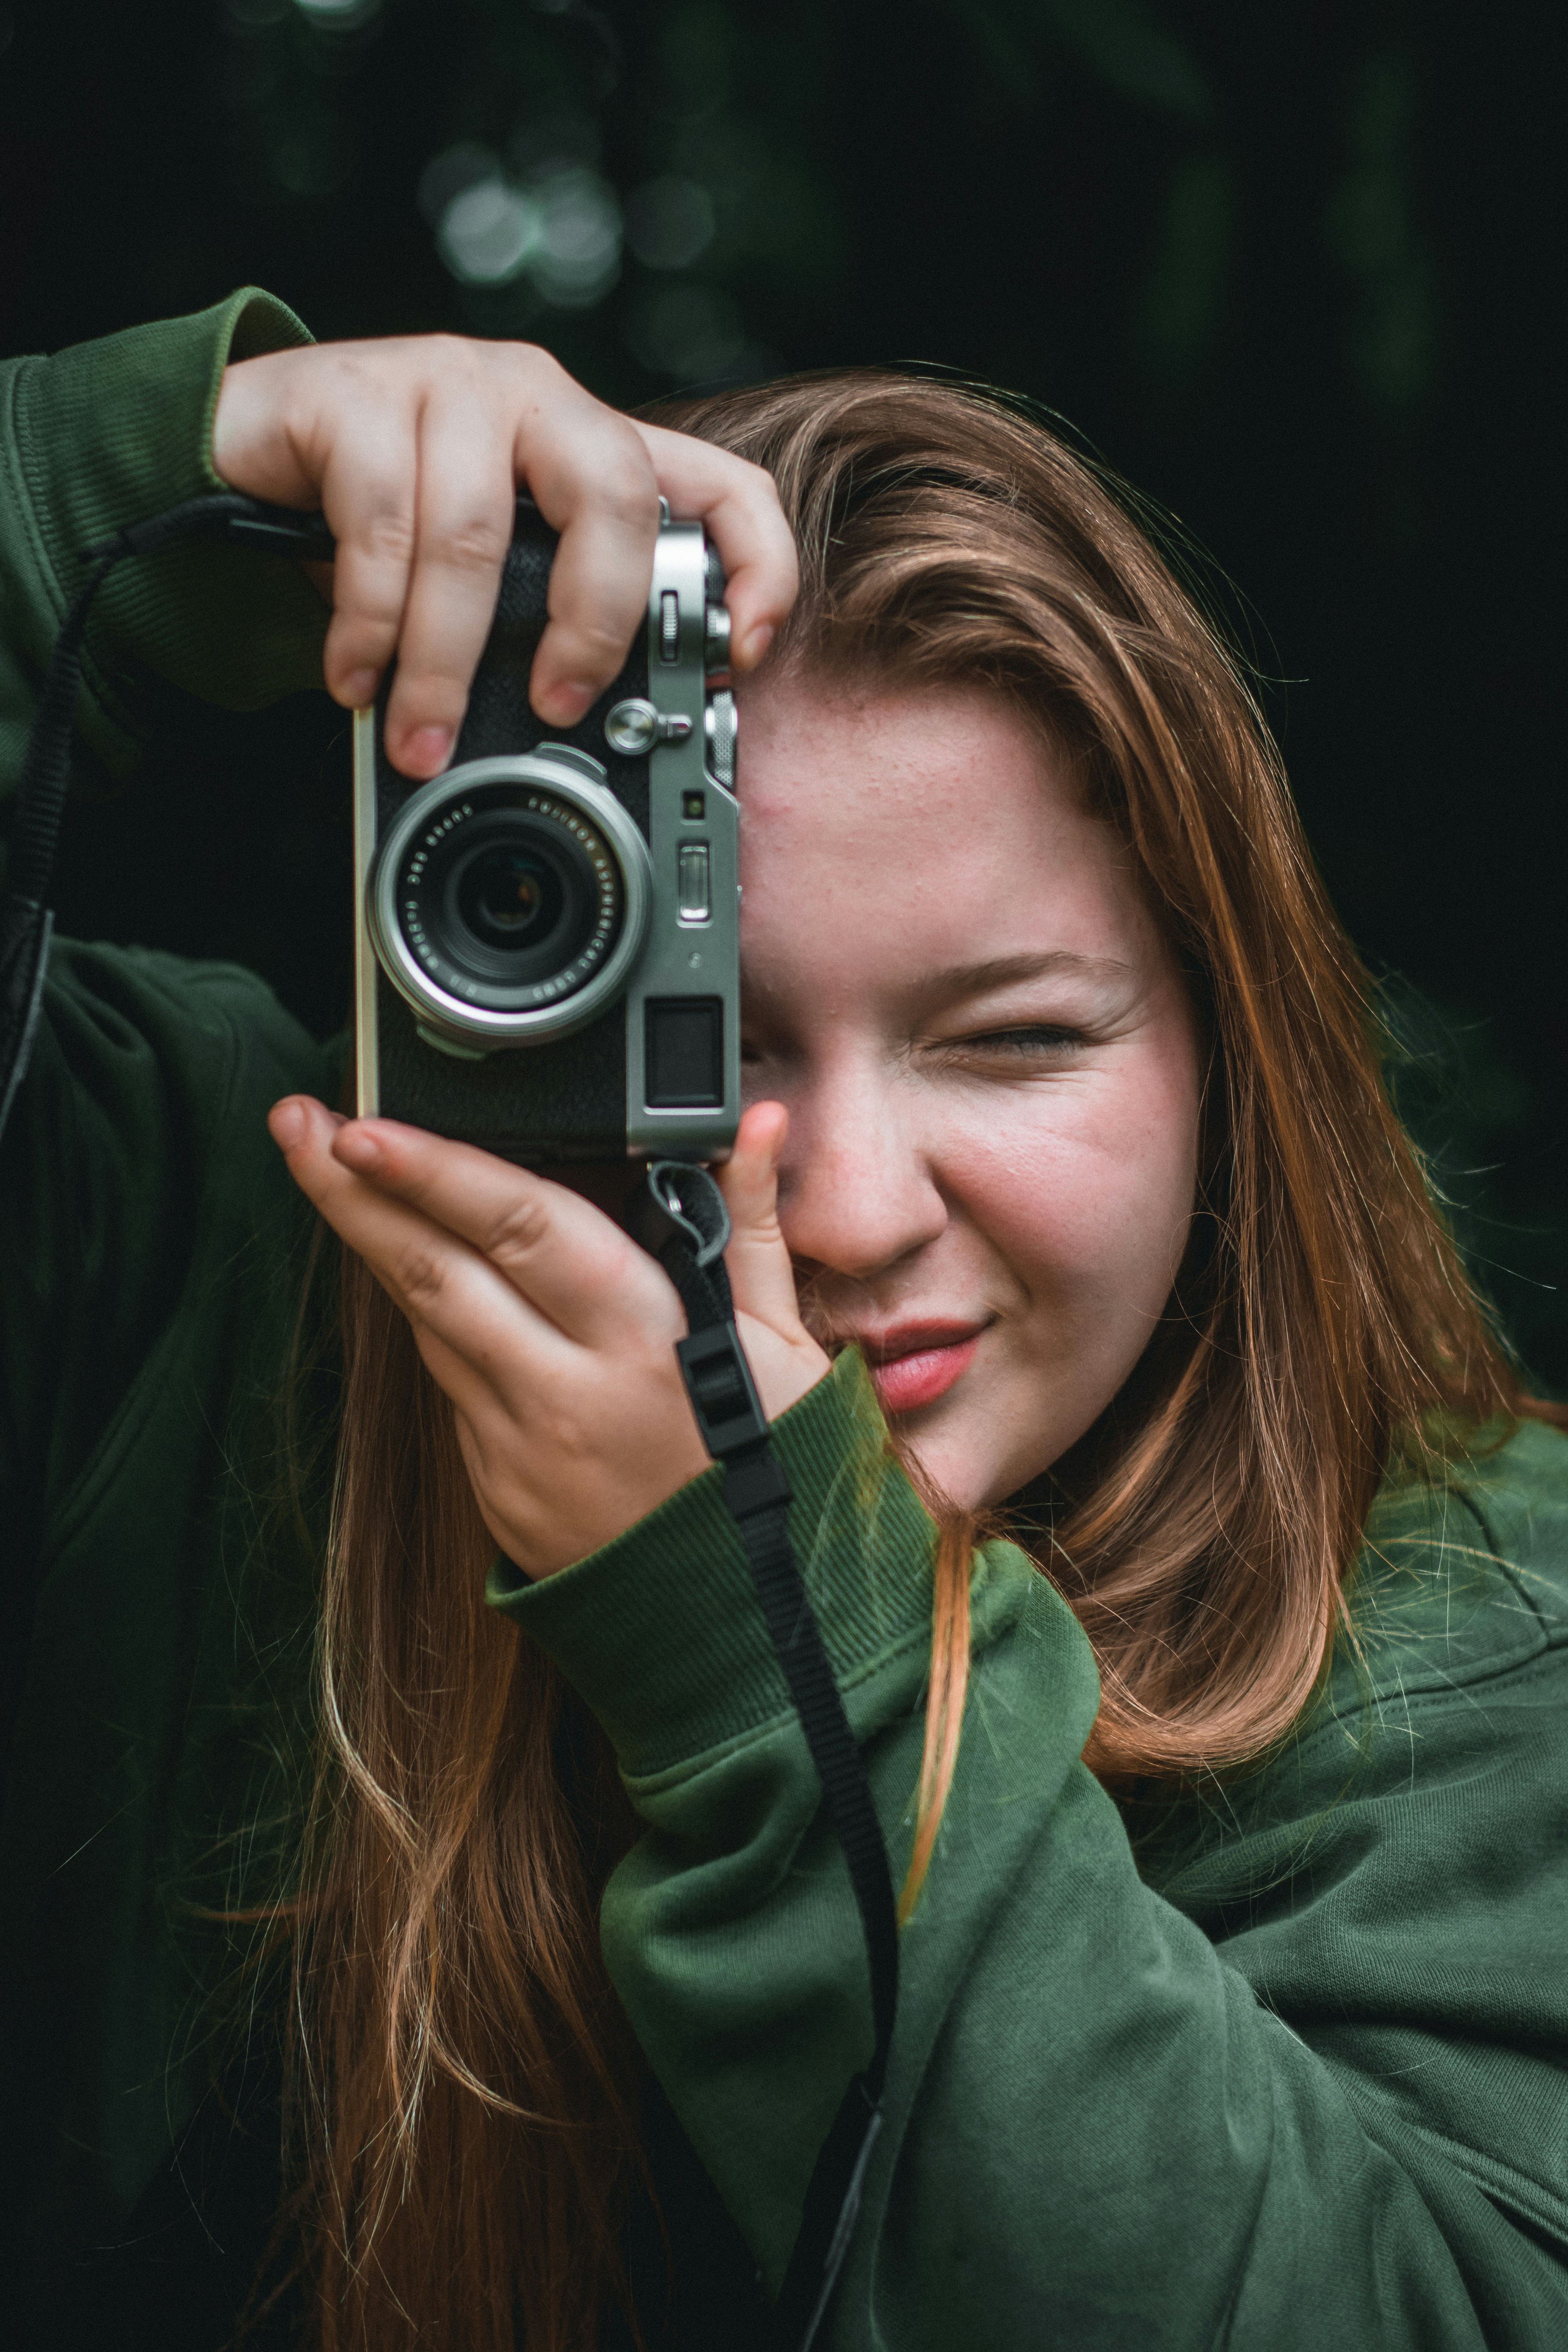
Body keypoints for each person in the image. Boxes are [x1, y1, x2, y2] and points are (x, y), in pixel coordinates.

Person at [3, 290, 1566, 2352]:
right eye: (691, 1044)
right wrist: (76, 501)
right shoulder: (201, 1258)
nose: (833, 1206)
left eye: (1012, 1045)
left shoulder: (1476, 1591)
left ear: (1233, 1055)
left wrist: (756, 1616)